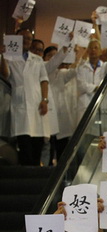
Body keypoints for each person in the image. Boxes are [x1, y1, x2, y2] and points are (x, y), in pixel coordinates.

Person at [0, 27, 51, 165]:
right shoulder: (10, 58)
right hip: (20, 104)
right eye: (23, 38)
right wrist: (3, 56)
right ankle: (26, 179)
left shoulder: (37, 59)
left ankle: (36, 179)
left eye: (29, 38)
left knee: (37, 146)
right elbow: (6, 75)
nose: (26, 41)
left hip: (37, 105)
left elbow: (44, 80)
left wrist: (45, 100)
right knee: (25, 147)